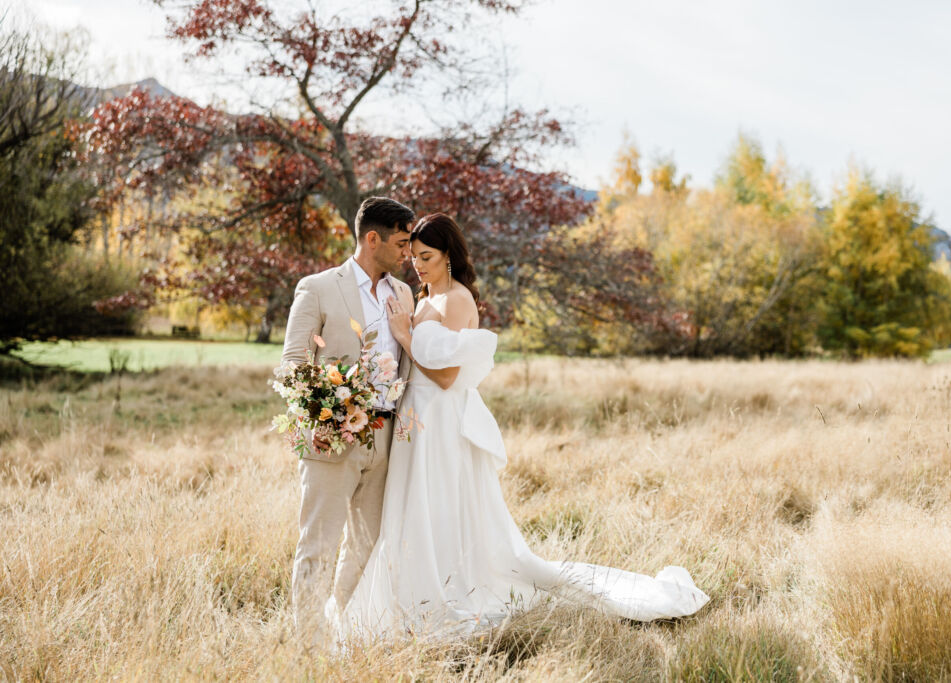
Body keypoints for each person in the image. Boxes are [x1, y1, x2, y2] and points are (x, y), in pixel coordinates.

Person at [325, 213, 709, 641]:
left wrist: (406, 334)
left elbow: (448, 375)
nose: (418, 264)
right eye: (414, 256)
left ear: (448, 255)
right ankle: (411, 583)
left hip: (440, 417)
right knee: (414, 502)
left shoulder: (457, 300)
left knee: (436, 500)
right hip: (415, 417)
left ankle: (449, 587)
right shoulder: (424, 297)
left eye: (427, 256)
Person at [280, 196, 416, 643]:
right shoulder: (318, 287)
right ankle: (308, 645)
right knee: (318, 544)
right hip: (332, 437)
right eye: (401, 242)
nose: (408, 253)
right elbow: (293, 363)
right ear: (371, 238)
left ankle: (345, 631)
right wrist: (327, 413)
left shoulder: (403, 293)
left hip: (387, 437)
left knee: (367, 545)